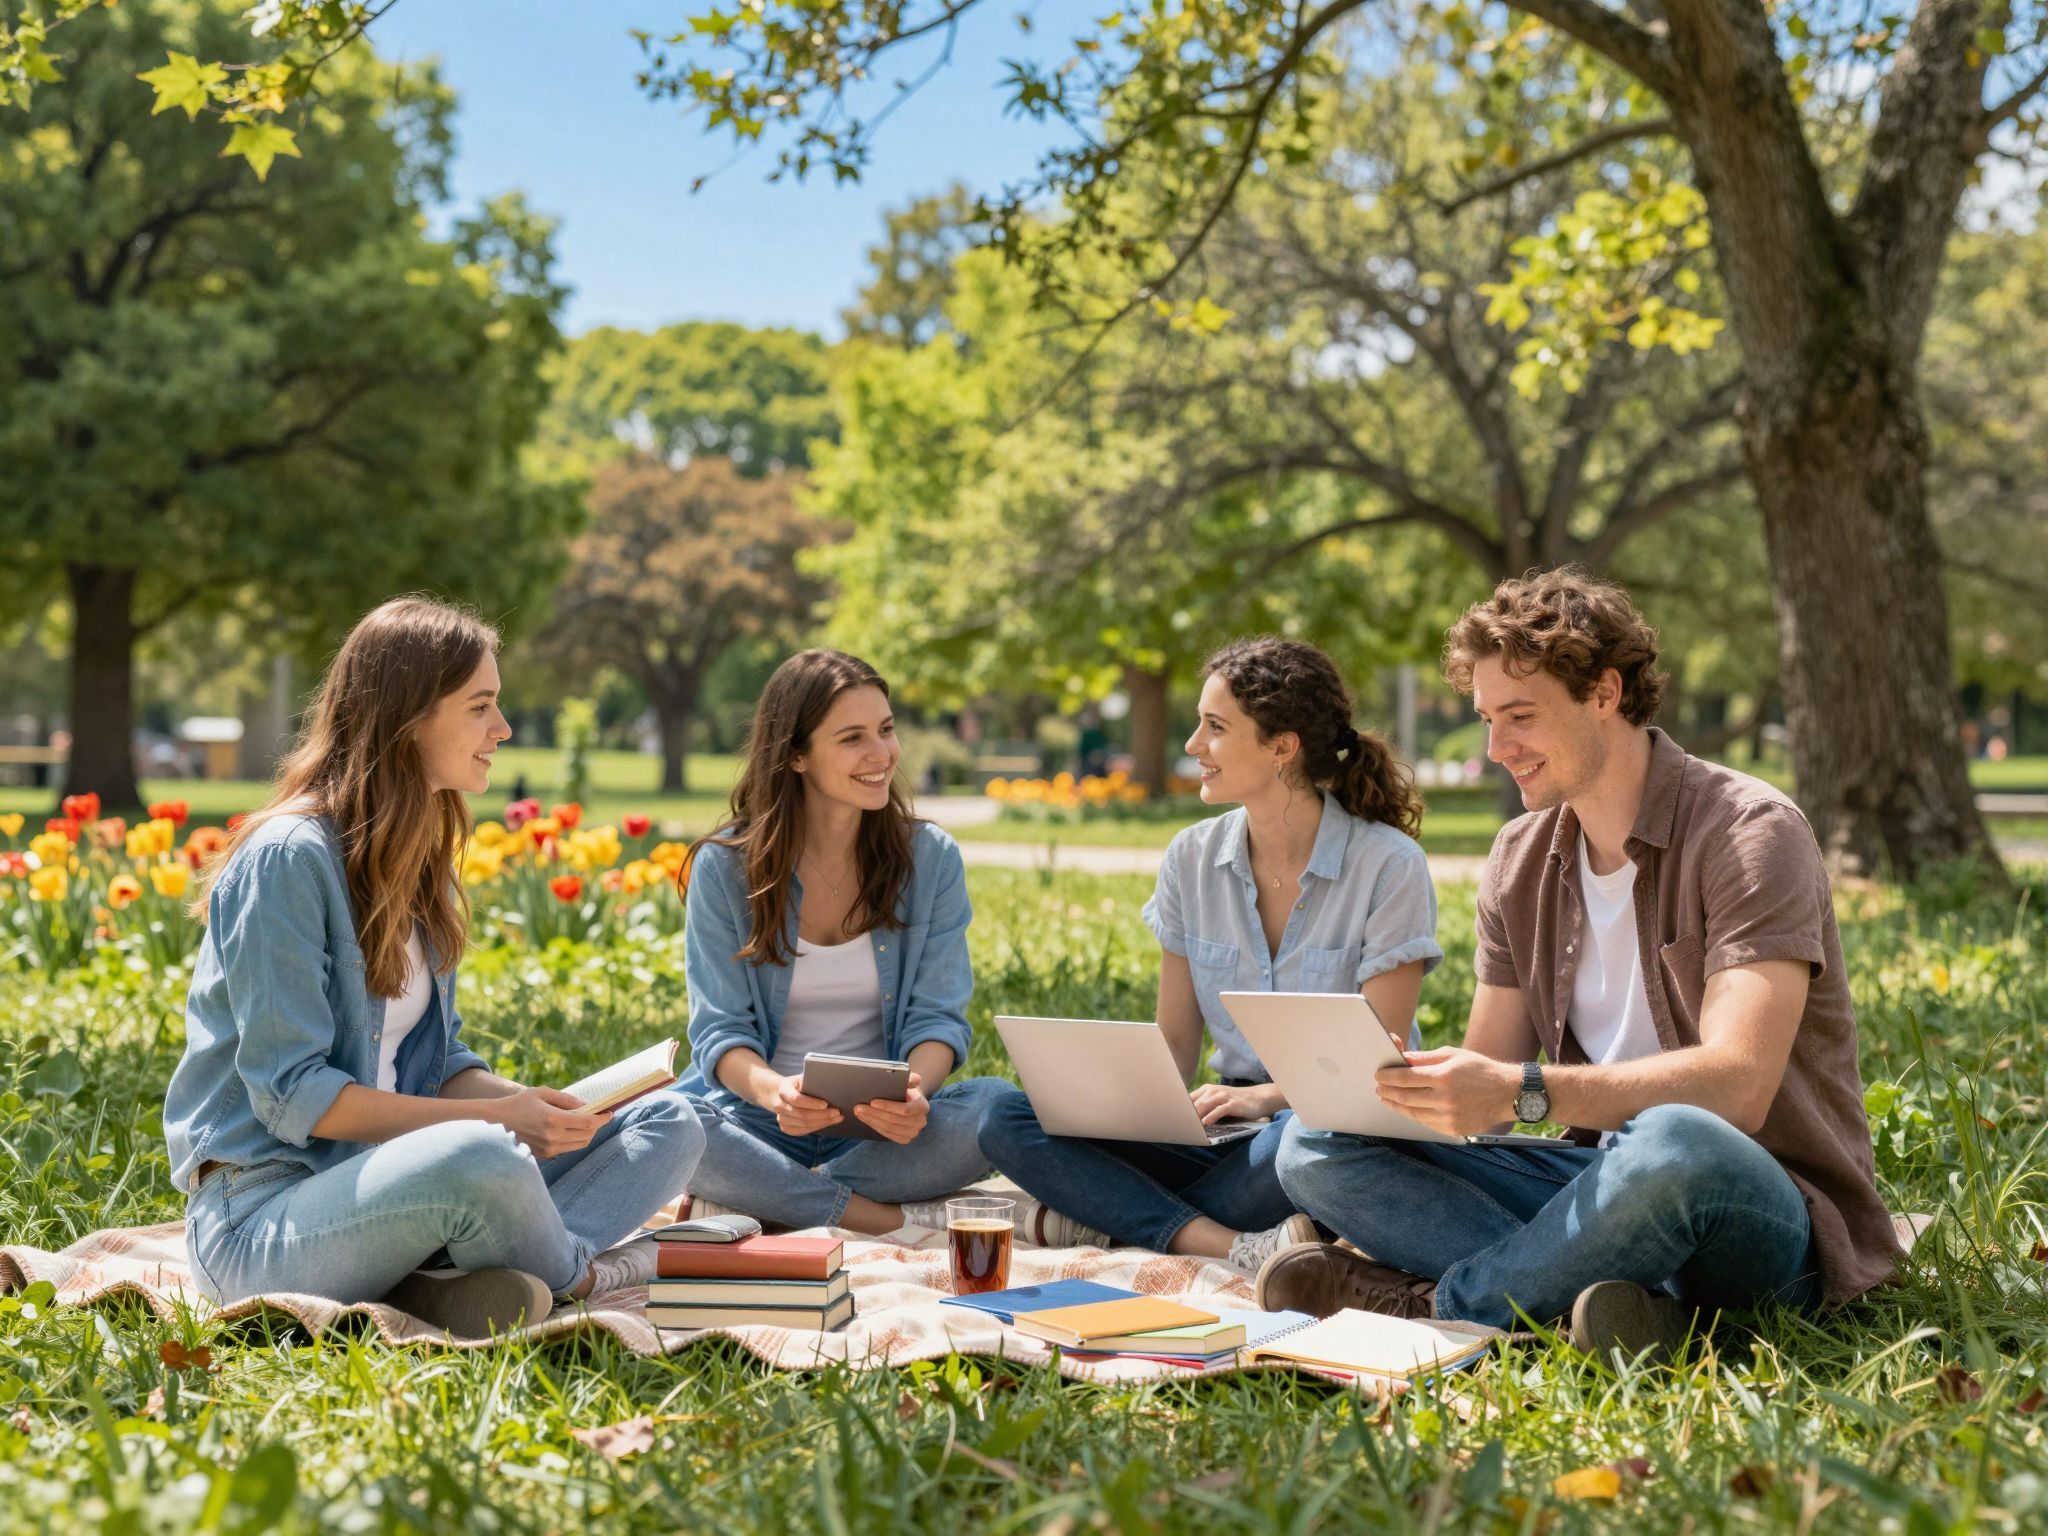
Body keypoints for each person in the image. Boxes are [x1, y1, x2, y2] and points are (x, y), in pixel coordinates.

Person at [1260, 569, 1900, 1359]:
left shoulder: (1749, 833)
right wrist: (1416, 1087)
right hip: (1592, 1183)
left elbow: (1738, 1088)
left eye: (1521, 716)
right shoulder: (1520, 857)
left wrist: (1521, 1092)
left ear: (1604, 693)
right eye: (1488, 719)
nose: (1497, 749)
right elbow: (1491, 1078)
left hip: (1755, 1208)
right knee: (1315, 1143)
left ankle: (1444, 1306)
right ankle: (1604, 1303)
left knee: (1673, 1140)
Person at [164, 598, 705, 1335]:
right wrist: (495, 1123)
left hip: (394, 1185)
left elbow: (436, 1061)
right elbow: (295, 1096)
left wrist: (543, 1108)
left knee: (667, 1120)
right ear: (409, 718)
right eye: (481, 706)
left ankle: (455, 1277)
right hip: (263, 1219)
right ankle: (582, 1273)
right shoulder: (287, 860)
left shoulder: (422, 866)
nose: (503, 730)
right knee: (478, 1154)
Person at [977, 638, 1444, 1273]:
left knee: (1306, 1149)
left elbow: (1378, 1060)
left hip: (1322, 1129)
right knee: (1005, 1116)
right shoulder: (1189, 859)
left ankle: (1107, 1213)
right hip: (1216, 1129)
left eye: (1216, 728)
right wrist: (1114, 1094)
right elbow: (1175, 1044)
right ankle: (1223, 1242)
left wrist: (1266, 1098)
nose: (1193, 745)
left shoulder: (1389, 865)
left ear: (1282, 747)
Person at [677, 649, 1010, 1236]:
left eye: (885, 730)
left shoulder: (929, 860)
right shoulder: (724, 869)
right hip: (760, 1120)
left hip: (885, 1135)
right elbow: (720, 1031)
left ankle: (784, 1195)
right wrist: (778, 1094)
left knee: (998, 1108)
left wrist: (912, 1095)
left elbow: (938, 1019)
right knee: (669, 1122)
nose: (881, 755)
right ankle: (872, 1217)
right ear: (797, 754)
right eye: (852, 738)